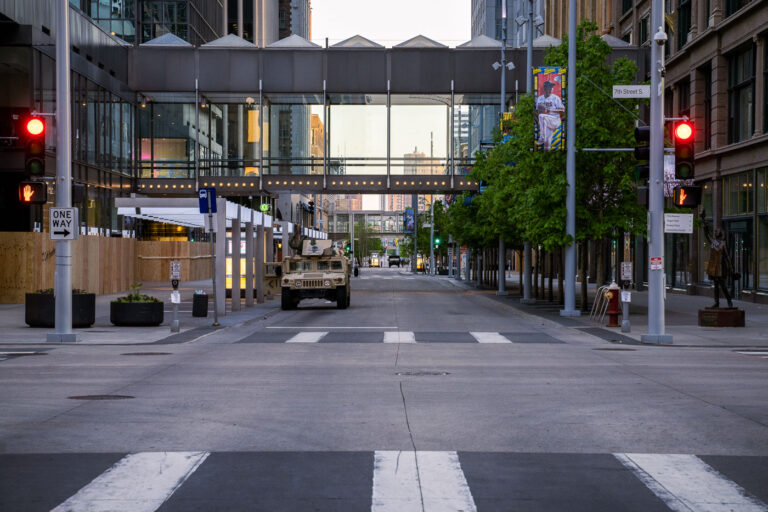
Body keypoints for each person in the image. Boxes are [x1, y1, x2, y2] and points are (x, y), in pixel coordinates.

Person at [701, 211, 737, 308]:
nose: (715, 232)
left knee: (723, 286)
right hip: (714, 267)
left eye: (717, 231)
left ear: (721, 233)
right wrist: (703, 220)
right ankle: (716, 302)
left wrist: (731, 268)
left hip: (721, 267)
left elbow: (727, 256)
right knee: (716, 285)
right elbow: (706, 233)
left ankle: (729, 301)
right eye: (715, 231)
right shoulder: (713, 242)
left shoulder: (723, 244)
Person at [536, 80, 564, 150]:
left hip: (555, 120)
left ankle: (541, 138)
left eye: (552, 87)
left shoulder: (555, 98)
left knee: (541, 116)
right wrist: (541, 108)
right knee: (547, 144)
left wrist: (550, 110)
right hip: (546, 122)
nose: (551, 89)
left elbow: (562, 109)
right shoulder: (540, 98)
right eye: (549, 87)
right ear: (545, 88)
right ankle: (546, 158)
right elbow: (537, 110)